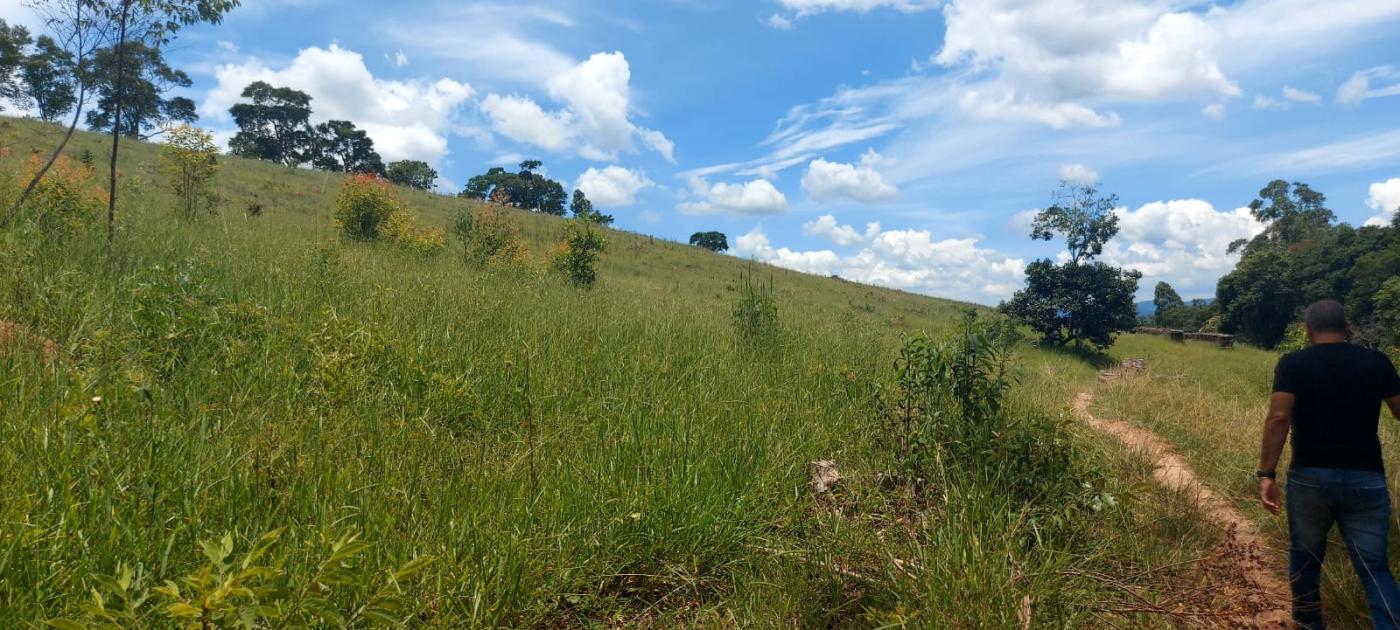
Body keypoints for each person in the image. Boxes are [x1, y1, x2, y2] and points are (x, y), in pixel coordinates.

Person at [1258, 300, 1400, 629]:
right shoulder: (1376, 362)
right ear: (1346, 326)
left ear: (1308, 330)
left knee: (1305, 560)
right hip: (1366, 476)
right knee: (1374, 567)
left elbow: (1279, 417)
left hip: (1309, 476)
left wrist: (1267, 474)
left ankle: (1309, 624)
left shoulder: (1293, 364)